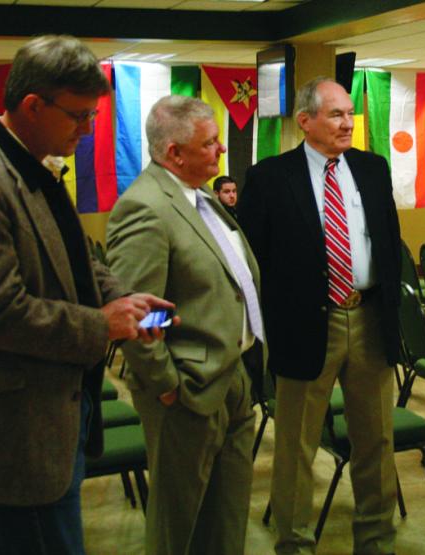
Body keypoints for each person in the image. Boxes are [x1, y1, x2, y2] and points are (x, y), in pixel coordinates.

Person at [0, 35, 173, 555]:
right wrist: (102, 324)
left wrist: (127, 299)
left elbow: (77, 262)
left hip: (53, 410)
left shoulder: (33, 166)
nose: (88, 129)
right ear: (33, 106)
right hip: (13, 425)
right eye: (79, 116)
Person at [239, 77, 402, 555]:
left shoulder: (373, 169)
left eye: (350, 113)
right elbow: (251, 260)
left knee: (376, 442)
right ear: (305, 121)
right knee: (297, 449)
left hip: (369, 320)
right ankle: (294, 542)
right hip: (306, 326)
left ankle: (375, 540)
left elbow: (388, 243)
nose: (348, 122)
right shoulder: (270, 177)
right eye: (335, 114)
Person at [106, 95, 264, 555]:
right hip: (187, 389)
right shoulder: (146, 208)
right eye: (211, 144)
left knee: (227, 520)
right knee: (180, 526)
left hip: (233, 374)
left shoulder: (202, 198)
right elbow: (139, 311)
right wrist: (166, 383)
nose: (220, 152)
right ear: (174, 152)